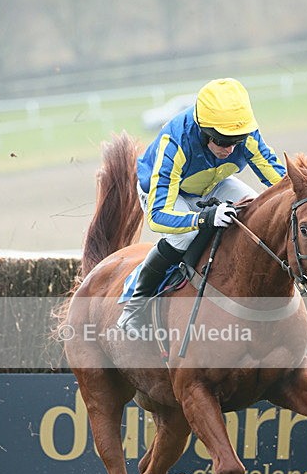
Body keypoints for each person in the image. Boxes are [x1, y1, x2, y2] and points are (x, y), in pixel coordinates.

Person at [117, 77, 286, 332]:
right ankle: (135, 304)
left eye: (236, 142)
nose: (230, 150)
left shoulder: (245, 134)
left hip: (209, 183)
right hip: (162, 193)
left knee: (253, 213)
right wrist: (203, 218)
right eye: (221, 141)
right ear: (203, 130)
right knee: (185, 237)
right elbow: (158, 216)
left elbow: (279, 180)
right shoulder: (175, 144)